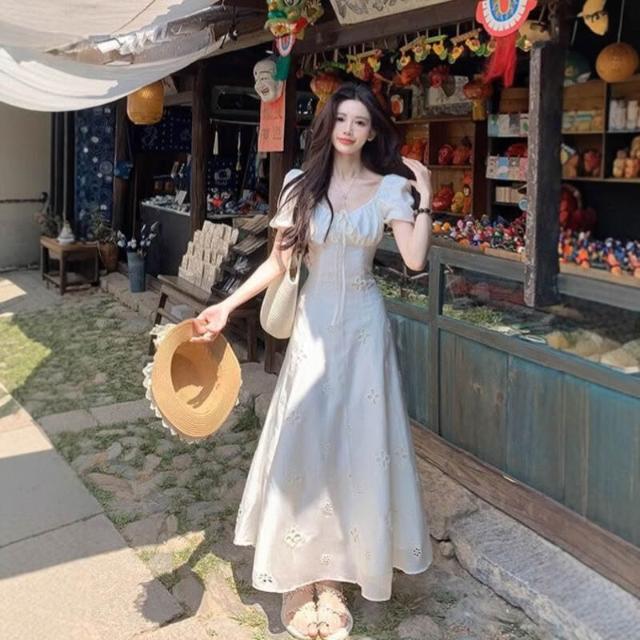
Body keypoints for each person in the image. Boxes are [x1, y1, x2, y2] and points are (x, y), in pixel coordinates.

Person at [192, 82, 434, 640]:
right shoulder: (300, 184)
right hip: (312, 328)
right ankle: (299, 578)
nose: (349, 130)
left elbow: (415, 257)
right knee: (305, 442)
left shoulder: (390, 187)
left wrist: (425, 196)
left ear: (371, 132)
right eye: (341, 119)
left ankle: (338, 576)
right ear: (329, 126)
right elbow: (278, 264)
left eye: (360, 122)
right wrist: (225, 306)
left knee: (358, 445)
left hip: (366, 332)